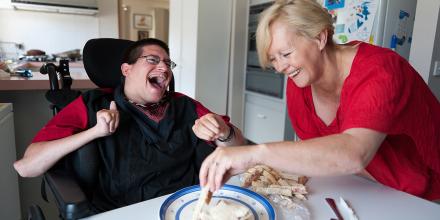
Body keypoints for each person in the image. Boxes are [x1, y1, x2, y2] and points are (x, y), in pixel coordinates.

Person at [199, 0, 440, 201]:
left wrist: (255, 153)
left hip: (422, 195)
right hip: (364, 188)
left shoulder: (380, 70)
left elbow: (353, 153)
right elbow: (315, 155)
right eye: (273, 59)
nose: (281, 67)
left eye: (286, 54)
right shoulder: (300, 84)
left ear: (320, 38)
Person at [13, 38, 245, 212]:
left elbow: (239, 147)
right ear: (127, 69)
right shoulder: (91, 104)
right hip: (123, 210)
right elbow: (27, 167)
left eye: (167, 63)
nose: (164, 69)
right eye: (153, 60)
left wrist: (224, 133)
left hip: (188, 206)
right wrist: (94, 132)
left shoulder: (184, 105)